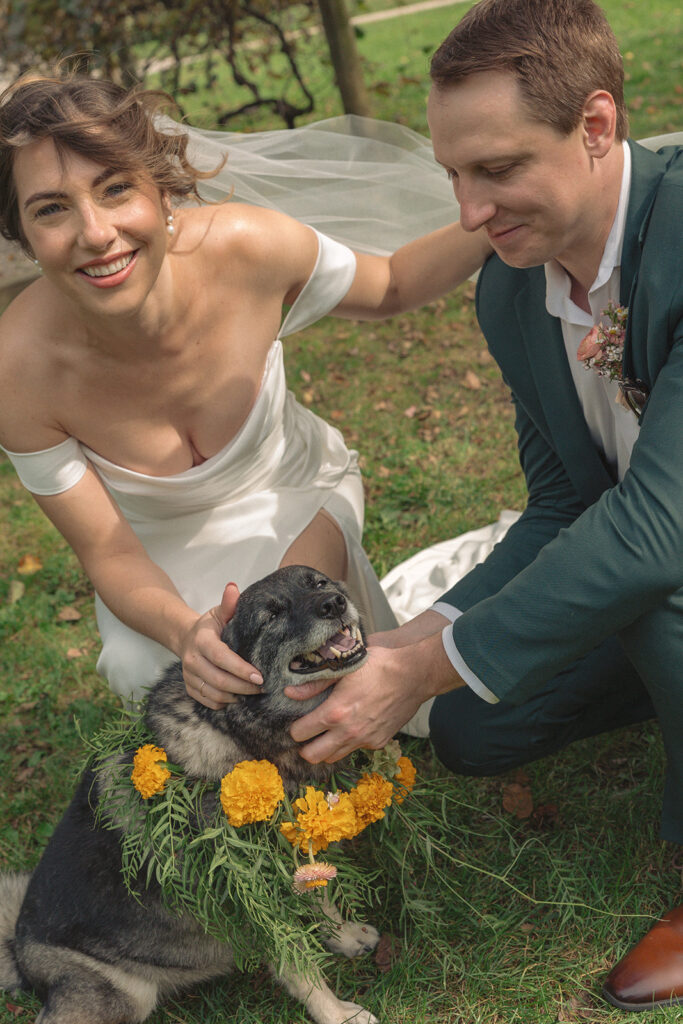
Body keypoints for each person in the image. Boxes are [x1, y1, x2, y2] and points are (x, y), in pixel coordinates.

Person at [279, 0, 683, 1012]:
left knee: (652, 587)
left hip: (666, 554)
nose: (467, 213)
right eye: (453, 176)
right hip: (647, 572)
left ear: (593, 128)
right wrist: (415, 643)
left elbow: (655, 526)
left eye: (496, 169)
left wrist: (420, 658)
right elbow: (558, 503)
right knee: (470, 732)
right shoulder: (509, 293)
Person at [0, 70, 491, 706]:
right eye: (52, 209)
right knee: (143, 658)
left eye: (116, 189)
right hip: (152, 563)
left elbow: (392, 284)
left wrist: (501, 209)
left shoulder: (248, 249)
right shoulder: (16, 373)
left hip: (296, 491)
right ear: (24, 236)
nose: (95, 233)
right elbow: (107, 551)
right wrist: (186, 633)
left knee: (290, 622)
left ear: (164, 192)